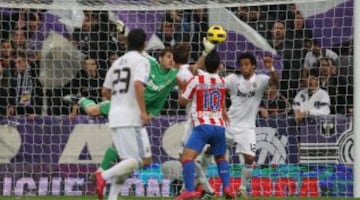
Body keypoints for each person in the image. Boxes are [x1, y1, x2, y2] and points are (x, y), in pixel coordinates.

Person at [64, 47, 177, 200]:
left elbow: (163, 95)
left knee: (124, 156)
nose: (171, 60)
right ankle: (81, 99)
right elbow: (137, 52)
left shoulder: (173, 75)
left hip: (135, 112)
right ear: (160, 58)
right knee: (92, 111)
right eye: (168, 57)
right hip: (125, 104)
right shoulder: (147, 62)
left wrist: (149, 113)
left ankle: (106, 184)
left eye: (173, 58)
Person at [93, 28, 152, 200]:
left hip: (115, 115)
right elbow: (138, 85)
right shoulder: (142, 60)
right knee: (142, 160)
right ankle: (102, 175)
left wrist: (119, 102)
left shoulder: (117, 62)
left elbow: (105, 90)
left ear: (127, 43)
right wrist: (142, 111)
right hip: (131, 116)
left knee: (127, 161)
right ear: (144, 44)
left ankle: (112, 197)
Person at [176, 50, 234, 200]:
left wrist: (181, 88)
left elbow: (183, 101)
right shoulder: (222, 81)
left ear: (205, 65)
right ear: (219, 66)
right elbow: (220, 100)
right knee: (221, 158)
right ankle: (227, 187)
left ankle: (189, 190)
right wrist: (224, 111)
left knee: (187, 158)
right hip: (219, 126)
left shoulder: (196, 80)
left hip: (202, 126)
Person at [224, 52, 278, 197]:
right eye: (241, 65)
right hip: (229, 123)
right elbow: (218, 88)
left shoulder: (260, 80)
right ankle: (200, 184)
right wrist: (221, 108)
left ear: (253, 66)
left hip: (247, 128)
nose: (244, 67)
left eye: (247, 64)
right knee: (211, 151)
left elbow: (275, 83)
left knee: (250, 158)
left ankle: (242, 188)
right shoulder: (233, 79)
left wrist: (271, 67)